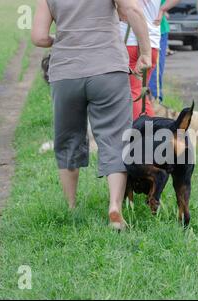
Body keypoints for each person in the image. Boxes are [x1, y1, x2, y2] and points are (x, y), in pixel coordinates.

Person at [31, 0, 151, 231]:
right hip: (108, 69)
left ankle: (72, 207)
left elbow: (38, 37)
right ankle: (115, 206)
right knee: (115, 138)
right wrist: (145, 53)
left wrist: (63, 40)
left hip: (66, 72)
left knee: (68, 140)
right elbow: (133, 10)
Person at [120, 0, 180, 120]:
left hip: (130, 41)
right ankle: (149, 133)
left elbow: (123, 10)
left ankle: (141, 134)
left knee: (133, 93)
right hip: (152, 42)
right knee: (140, 93)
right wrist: (162, 9)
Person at [149, 0, 170, 103]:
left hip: (156, 32)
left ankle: (156, 105)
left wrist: (162, 9)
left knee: (154, 73)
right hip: (137, 33)